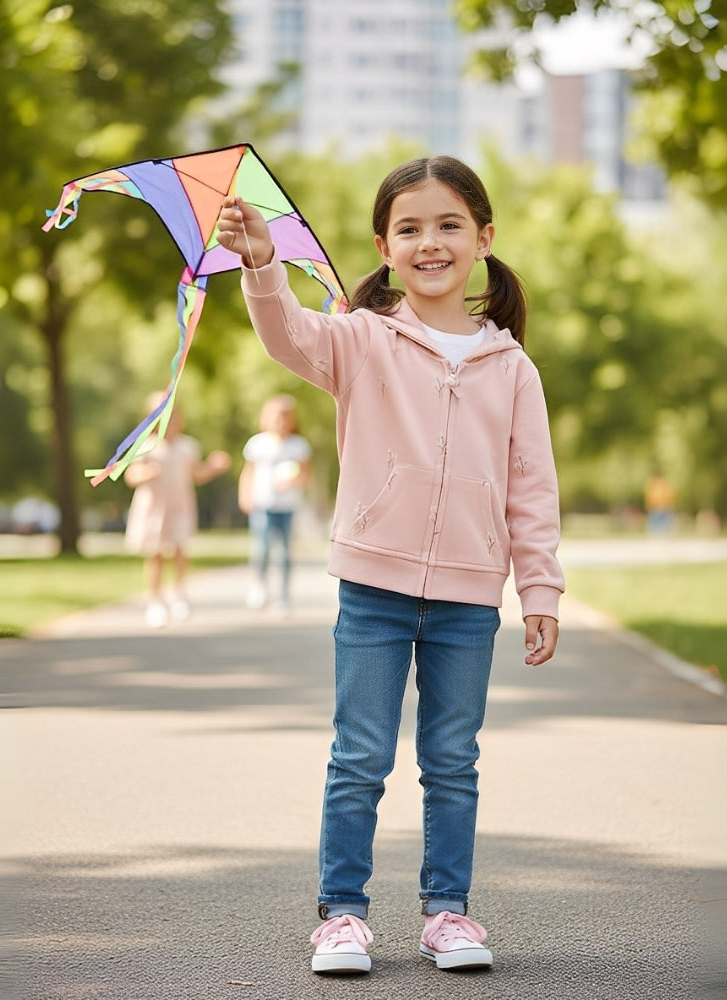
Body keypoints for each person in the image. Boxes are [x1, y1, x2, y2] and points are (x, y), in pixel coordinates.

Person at [218, 155, 563, 975]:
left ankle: (448, 914)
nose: (429, 241)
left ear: (484, 238)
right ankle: (341, 916)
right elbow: (286, 334)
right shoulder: (359, 340)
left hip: (469, 599)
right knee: (360, 756)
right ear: (383, 246)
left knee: (452, 759)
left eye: (448, 225)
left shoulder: (511, 367)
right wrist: (262, 264)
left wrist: (539, 586)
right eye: (409, 228)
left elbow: (532, 488)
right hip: (373, 586)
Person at [124, 394, 231, 627]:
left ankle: (179, 594)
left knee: (181, 549)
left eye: (173, 416)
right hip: (154, 508)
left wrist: (213, 467)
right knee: (156, 554)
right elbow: (130, 476)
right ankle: (155, 600)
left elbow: (197, 474)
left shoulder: (188, 446)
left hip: (180, 506)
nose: (169, 421)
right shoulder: (146, 447)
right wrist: (145, 474)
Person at [238, 394, 312, 612]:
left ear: (292, 420)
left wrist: (294, 482)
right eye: (275, 416)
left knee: (285, 553)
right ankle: (259, 585)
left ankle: (283, 596)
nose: (280, 421)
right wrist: (245, 495)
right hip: (263, 505)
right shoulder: (257, 443)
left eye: (285, 416)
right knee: (261, 549)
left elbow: (306, 474)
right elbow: (248, 472)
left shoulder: (298, 445)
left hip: (287, 507)